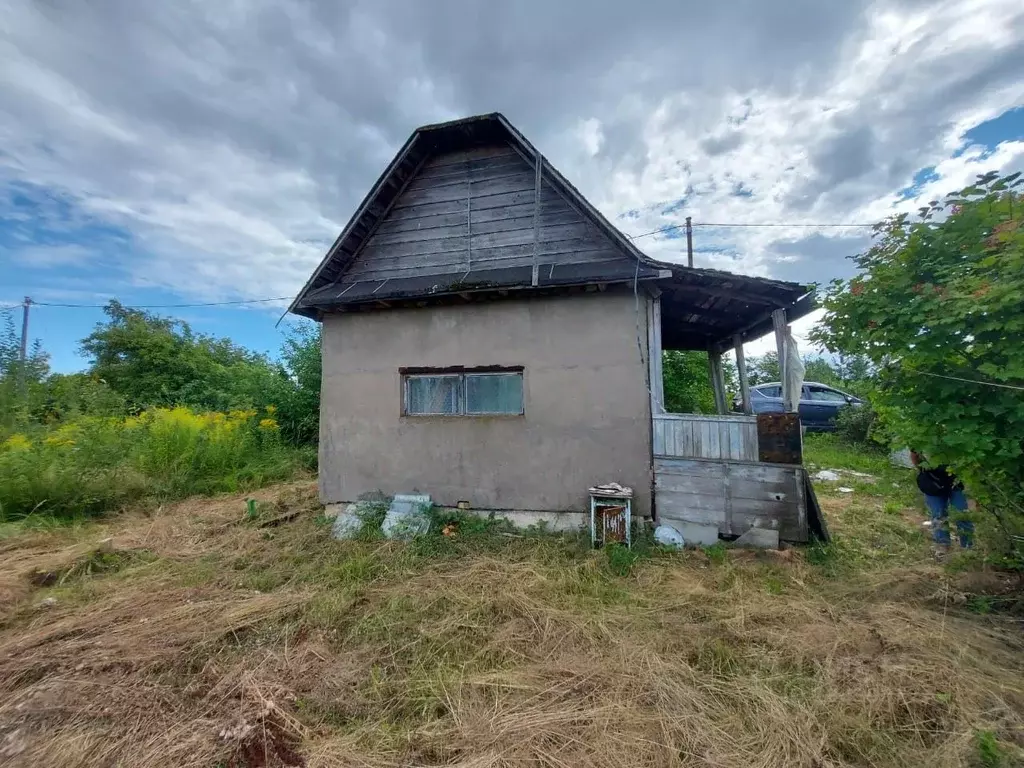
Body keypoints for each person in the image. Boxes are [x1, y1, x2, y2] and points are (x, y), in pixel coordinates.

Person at [910, 451, 974, 552]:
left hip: (953, 479)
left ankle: (968, 547)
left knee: (961, 513)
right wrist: (922, 469)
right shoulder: (921, 441)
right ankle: (942, 546)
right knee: (938, 515)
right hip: (932, 481)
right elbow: (914, 455)